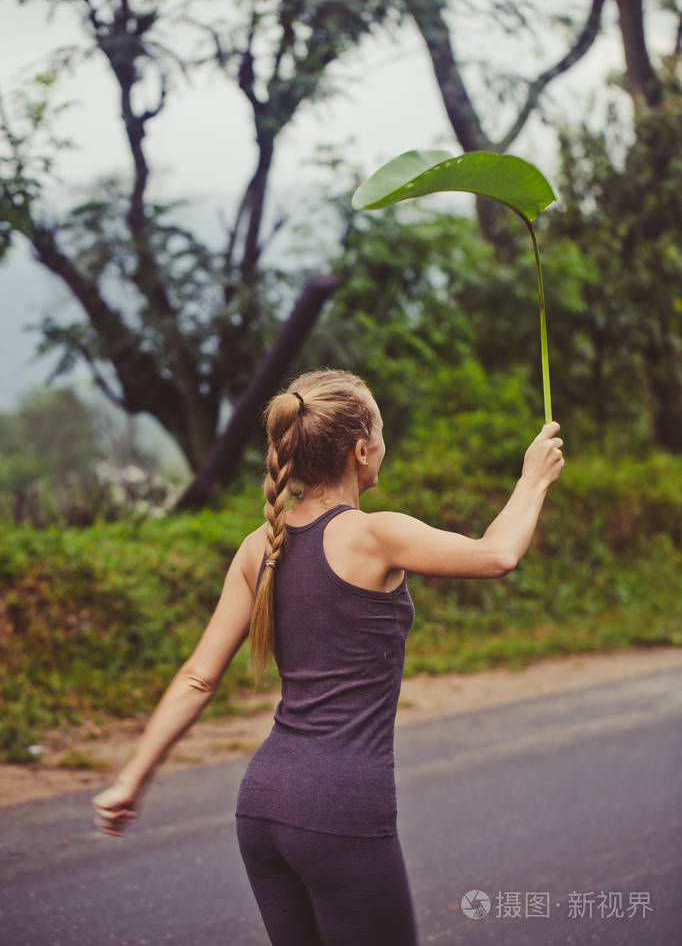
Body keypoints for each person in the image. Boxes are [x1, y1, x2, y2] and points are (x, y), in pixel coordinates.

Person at [92, 368, 564, 946]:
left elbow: (196, 677)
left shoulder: (256, 549)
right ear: (362, 452)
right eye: (382, 435)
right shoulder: (375, 535)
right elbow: (496, 555)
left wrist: (131, 779)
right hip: (339, 810)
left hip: (261, 808)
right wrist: (532, 478)